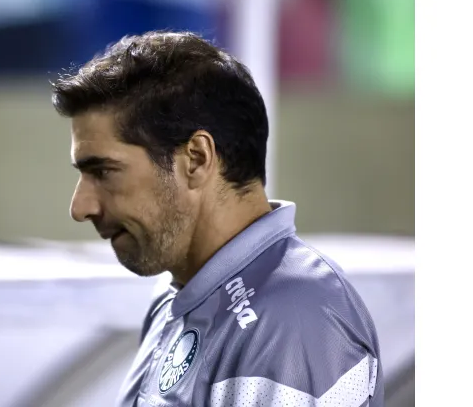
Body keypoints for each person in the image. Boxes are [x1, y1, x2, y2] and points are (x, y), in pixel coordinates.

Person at [50, 31, 383, 406]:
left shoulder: (294, 322)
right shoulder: (179, 294)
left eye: (104, 171)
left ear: (196, 159)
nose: (80, 207)